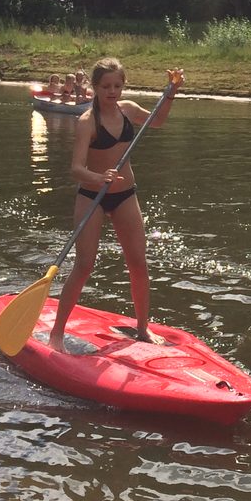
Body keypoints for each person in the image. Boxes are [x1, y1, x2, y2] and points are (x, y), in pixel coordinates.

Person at [48, 59, 183, 351]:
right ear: (95, 88)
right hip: (91, 196)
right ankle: (56, 334)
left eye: (117, 86)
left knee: (138, 262)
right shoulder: (87, 122)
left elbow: (157, 121)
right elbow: (75, 169)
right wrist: (98, 177)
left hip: (125, 195)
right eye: (106, 86)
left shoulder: (129, 110)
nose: (112, 91)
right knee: (84, 265)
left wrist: (170, 92)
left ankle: (143, 329)